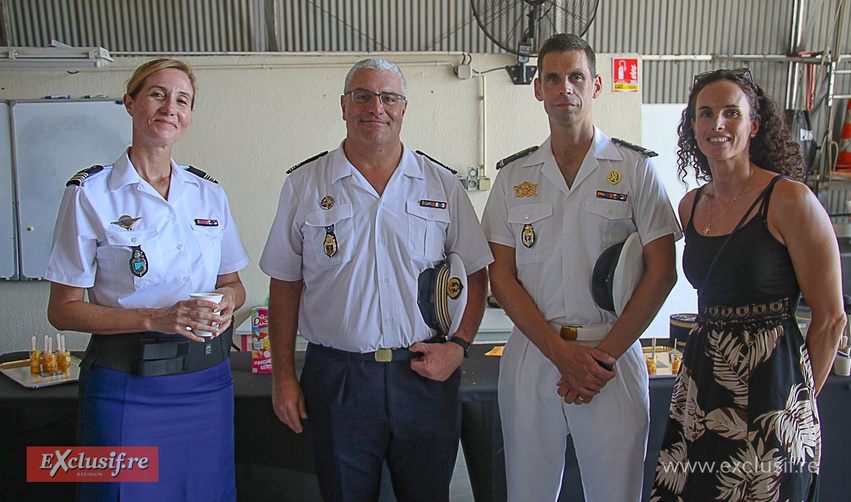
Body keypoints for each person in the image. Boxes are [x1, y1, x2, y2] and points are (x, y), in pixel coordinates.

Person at [260, 57, 493, 501]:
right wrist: (282, 375)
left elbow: (477, 273)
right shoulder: (305, 185)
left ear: (404, 108)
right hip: (337, 380)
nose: (376, 107)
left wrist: (459, 347)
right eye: (363, 96)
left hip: (423, 375)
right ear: (344, 106)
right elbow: (285, 285)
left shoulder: (441, 185)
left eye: (388, 97)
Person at [481, 33, 681, 501]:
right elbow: (501, 275)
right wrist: (558, 352)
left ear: (596, 86)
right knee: (528, 494)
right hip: (535, 353)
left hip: (610, 357)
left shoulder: (634, 170)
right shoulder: (515, 177)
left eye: (576, 76)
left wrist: (602, 358)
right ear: (538, 89)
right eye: (553, 78)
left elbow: (662, 272)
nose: (564, 88)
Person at [45, 58, 249, 501]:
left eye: (182, 100)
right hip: (125, 386)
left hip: (207, 381)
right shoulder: (90, 194)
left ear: (190, 115)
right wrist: (155, 318)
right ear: (130, 102)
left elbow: (234, 283)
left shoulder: (208, 194)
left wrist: (228, 301)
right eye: (157, 94)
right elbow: (62, 310)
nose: (169, 108)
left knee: (205, 492)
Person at [650, 68, 845, 501]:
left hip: (773, 391)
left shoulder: (790, 200)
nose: (717, 124)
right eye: (705, 114)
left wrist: (796, 401)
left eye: (730, 113)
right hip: (702, 388)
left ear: (753, 125)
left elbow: (831, 319)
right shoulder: (691, 206)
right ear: (693, 126)